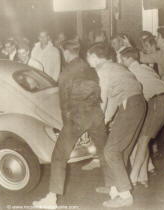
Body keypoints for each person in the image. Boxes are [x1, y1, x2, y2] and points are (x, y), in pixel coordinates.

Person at [32, 40, 107, 209]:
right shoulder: (90, 68)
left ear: (65, 52)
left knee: (59, 157)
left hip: (77, 117)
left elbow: (64, 102)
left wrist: (67, 127)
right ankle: (115, 189)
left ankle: (51, 199)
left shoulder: (66, 72)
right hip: (96, 114)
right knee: (105, 153)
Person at [87, 43, 146, 208]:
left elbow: (103, 99)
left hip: (131, 105)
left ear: (96, 56)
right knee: (121, 151)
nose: (87, 60)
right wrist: (104, 121)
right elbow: (113, 100)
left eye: (88, 56)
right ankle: (115, 189)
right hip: (137, 104)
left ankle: (125, 196)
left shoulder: (103, 69)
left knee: (111, 151)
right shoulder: (115, 67)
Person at [120, 47, 164, 187]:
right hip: (160, 100)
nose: (121, 62)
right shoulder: (142, 67)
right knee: (142, 138)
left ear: (129, 59)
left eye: (122, 59)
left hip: (159, 102)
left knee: (143, 140)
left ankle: (134, 177)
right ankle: (143, 177)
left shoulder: (134, 72)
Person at [140, 28, 164, 176]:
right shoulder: (161, 53)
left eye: (158, 36)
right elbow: (144, 58)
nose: (155, 38)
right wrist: (128, 45)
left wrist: (154, 86)